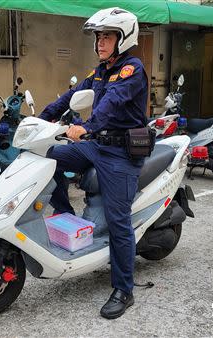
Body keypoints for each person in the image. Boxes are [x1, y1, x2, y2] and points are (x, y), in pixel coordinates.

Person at [38, 7, 148, 319]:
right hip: (96, 146)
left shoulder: (131, 70)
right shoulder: (99, 71)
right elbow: (70, 96)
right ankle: (64, 213)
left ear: (123, 38)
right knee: (49, 159)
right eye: (98, 37)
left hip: (121, 155)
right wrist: (38, 120)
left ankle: (124, 289)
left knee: (118, 221)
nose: (100, 43)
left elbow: (112, 103)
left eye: (108, 36)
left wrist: (87, 126)